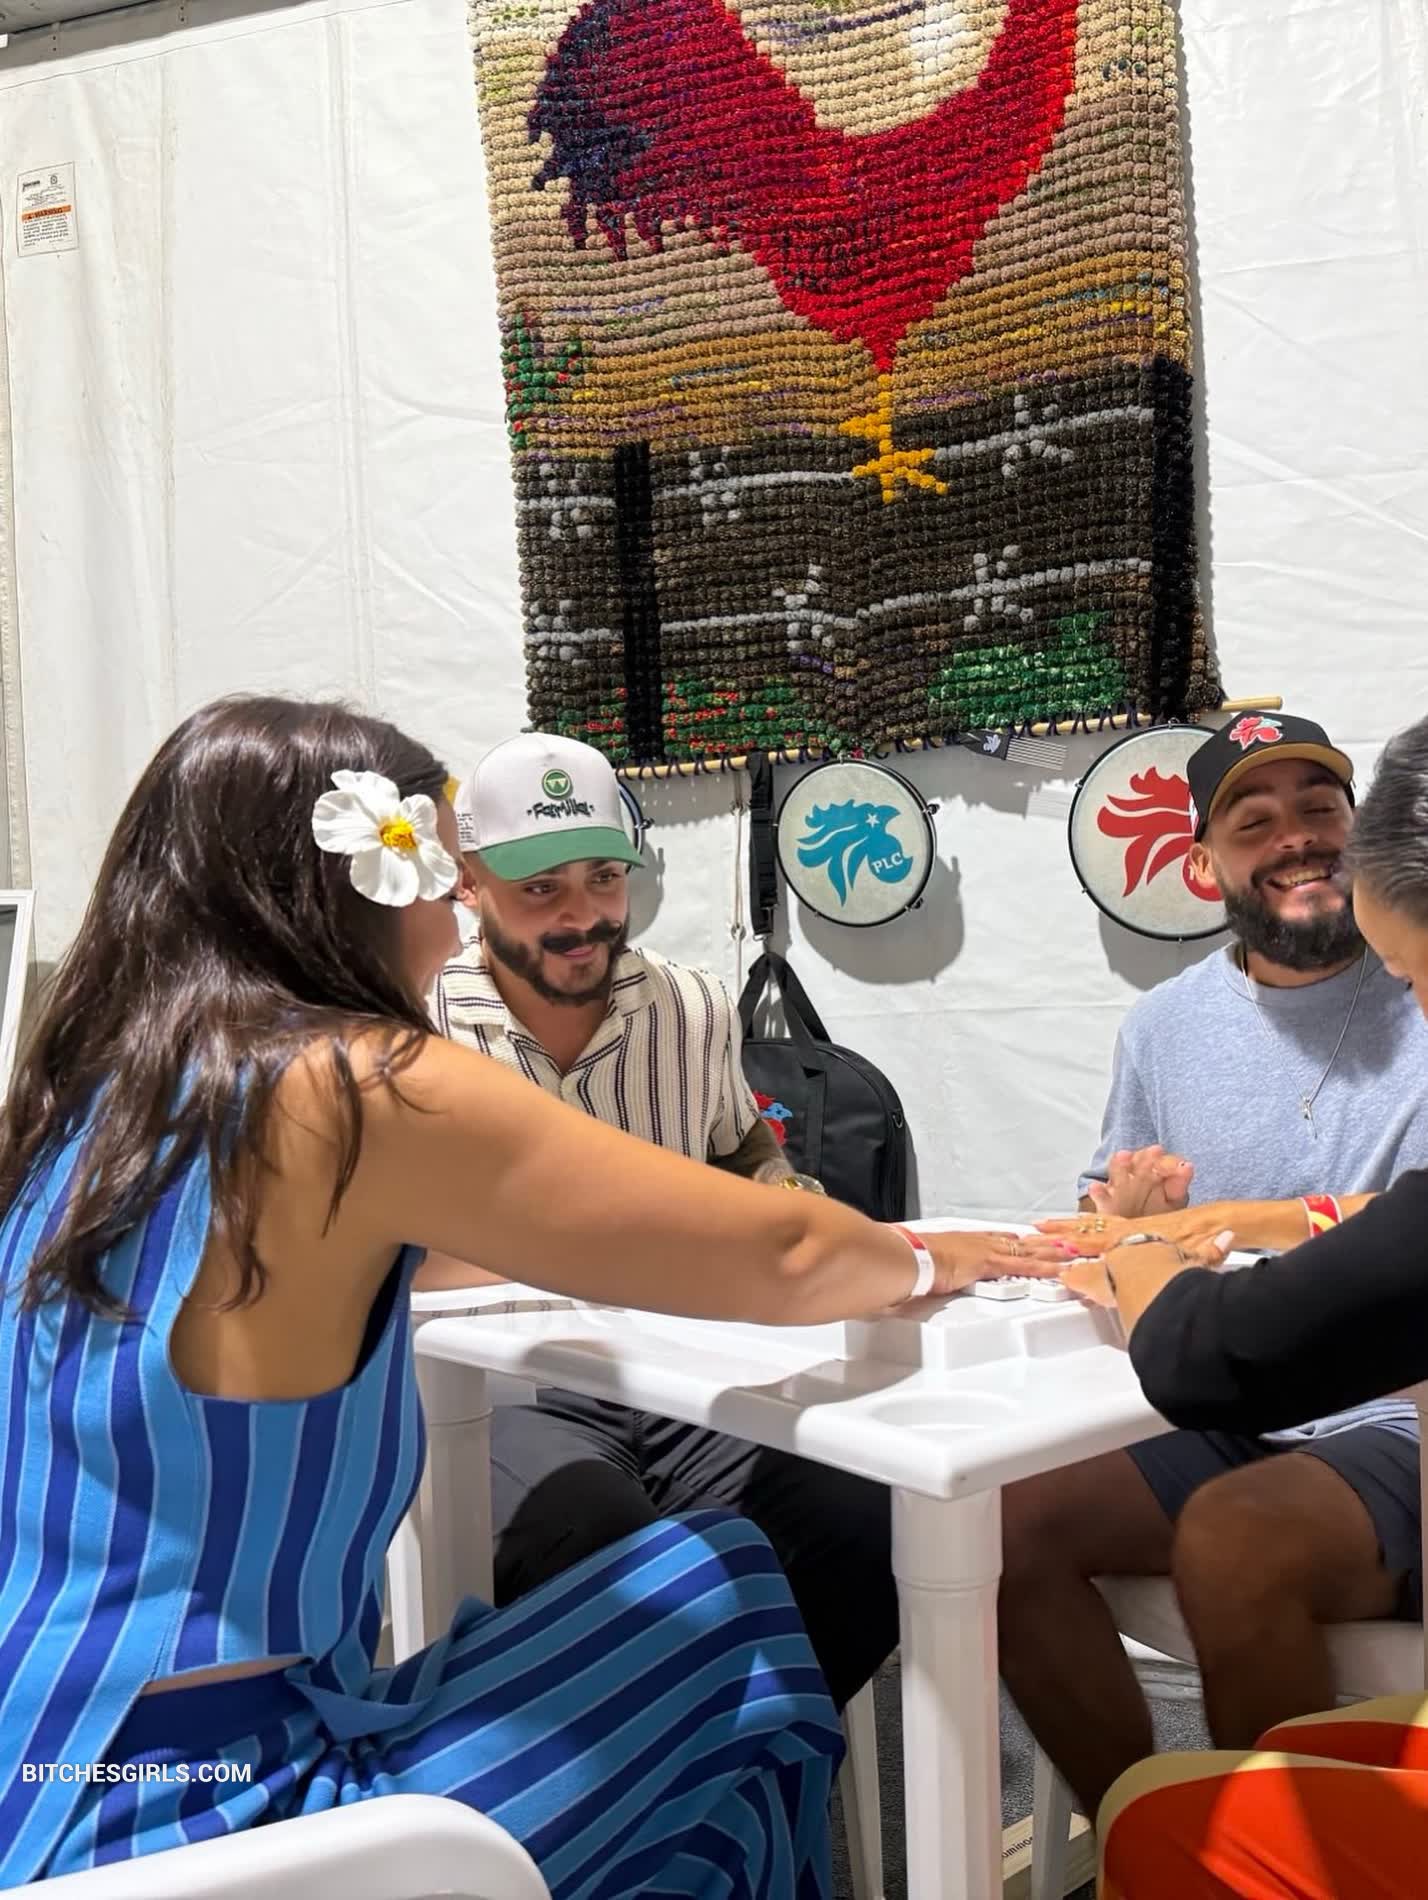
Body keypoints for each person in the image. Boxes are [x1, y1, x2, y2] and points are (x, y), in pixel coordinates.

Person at [0, 695, 1061, 1891]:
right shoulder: (351, 1080)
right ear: (362, 880)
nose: (456, 919)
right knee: (728, 1601)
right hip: (213, 1797)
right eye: (442, 874)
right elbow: (785, 1254)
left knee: (704, 1711)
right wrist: (933, 1255)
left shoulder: (92, 1104)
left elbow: (470, 1248)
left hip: (46, 1757)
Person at [427, 730, 1063, 1711]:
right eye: (540, 888)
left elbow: (740, 1147)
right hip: (508, 1390)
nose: (581, 916)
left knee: (873, 1510)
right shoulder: (413, 1023)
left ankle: (750, 1749)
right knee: (596, 1540)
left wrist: (789, 1198)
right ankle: (664, 1772)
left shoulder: (691, 1007)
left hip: (688, 1367)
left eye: (603, 878)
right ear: (468, 884)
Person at [998, 712, 1428, 1824]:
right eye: (1256, 821)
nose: (1298, 838)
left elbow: (1407, 1239)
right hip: (1224, 1395)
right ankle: (1152, 1836)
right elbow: (1110, 1217)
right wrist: (1129, 1219)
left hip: (1395, 1413)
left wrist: (1208, 1231)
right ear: (1202, 866)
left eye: (1320, 808)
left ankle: (1272, 1861)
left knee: (1234, 1537)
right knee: (1001, 1523)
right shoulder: (1164, 1027)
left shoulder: (1419, 973)